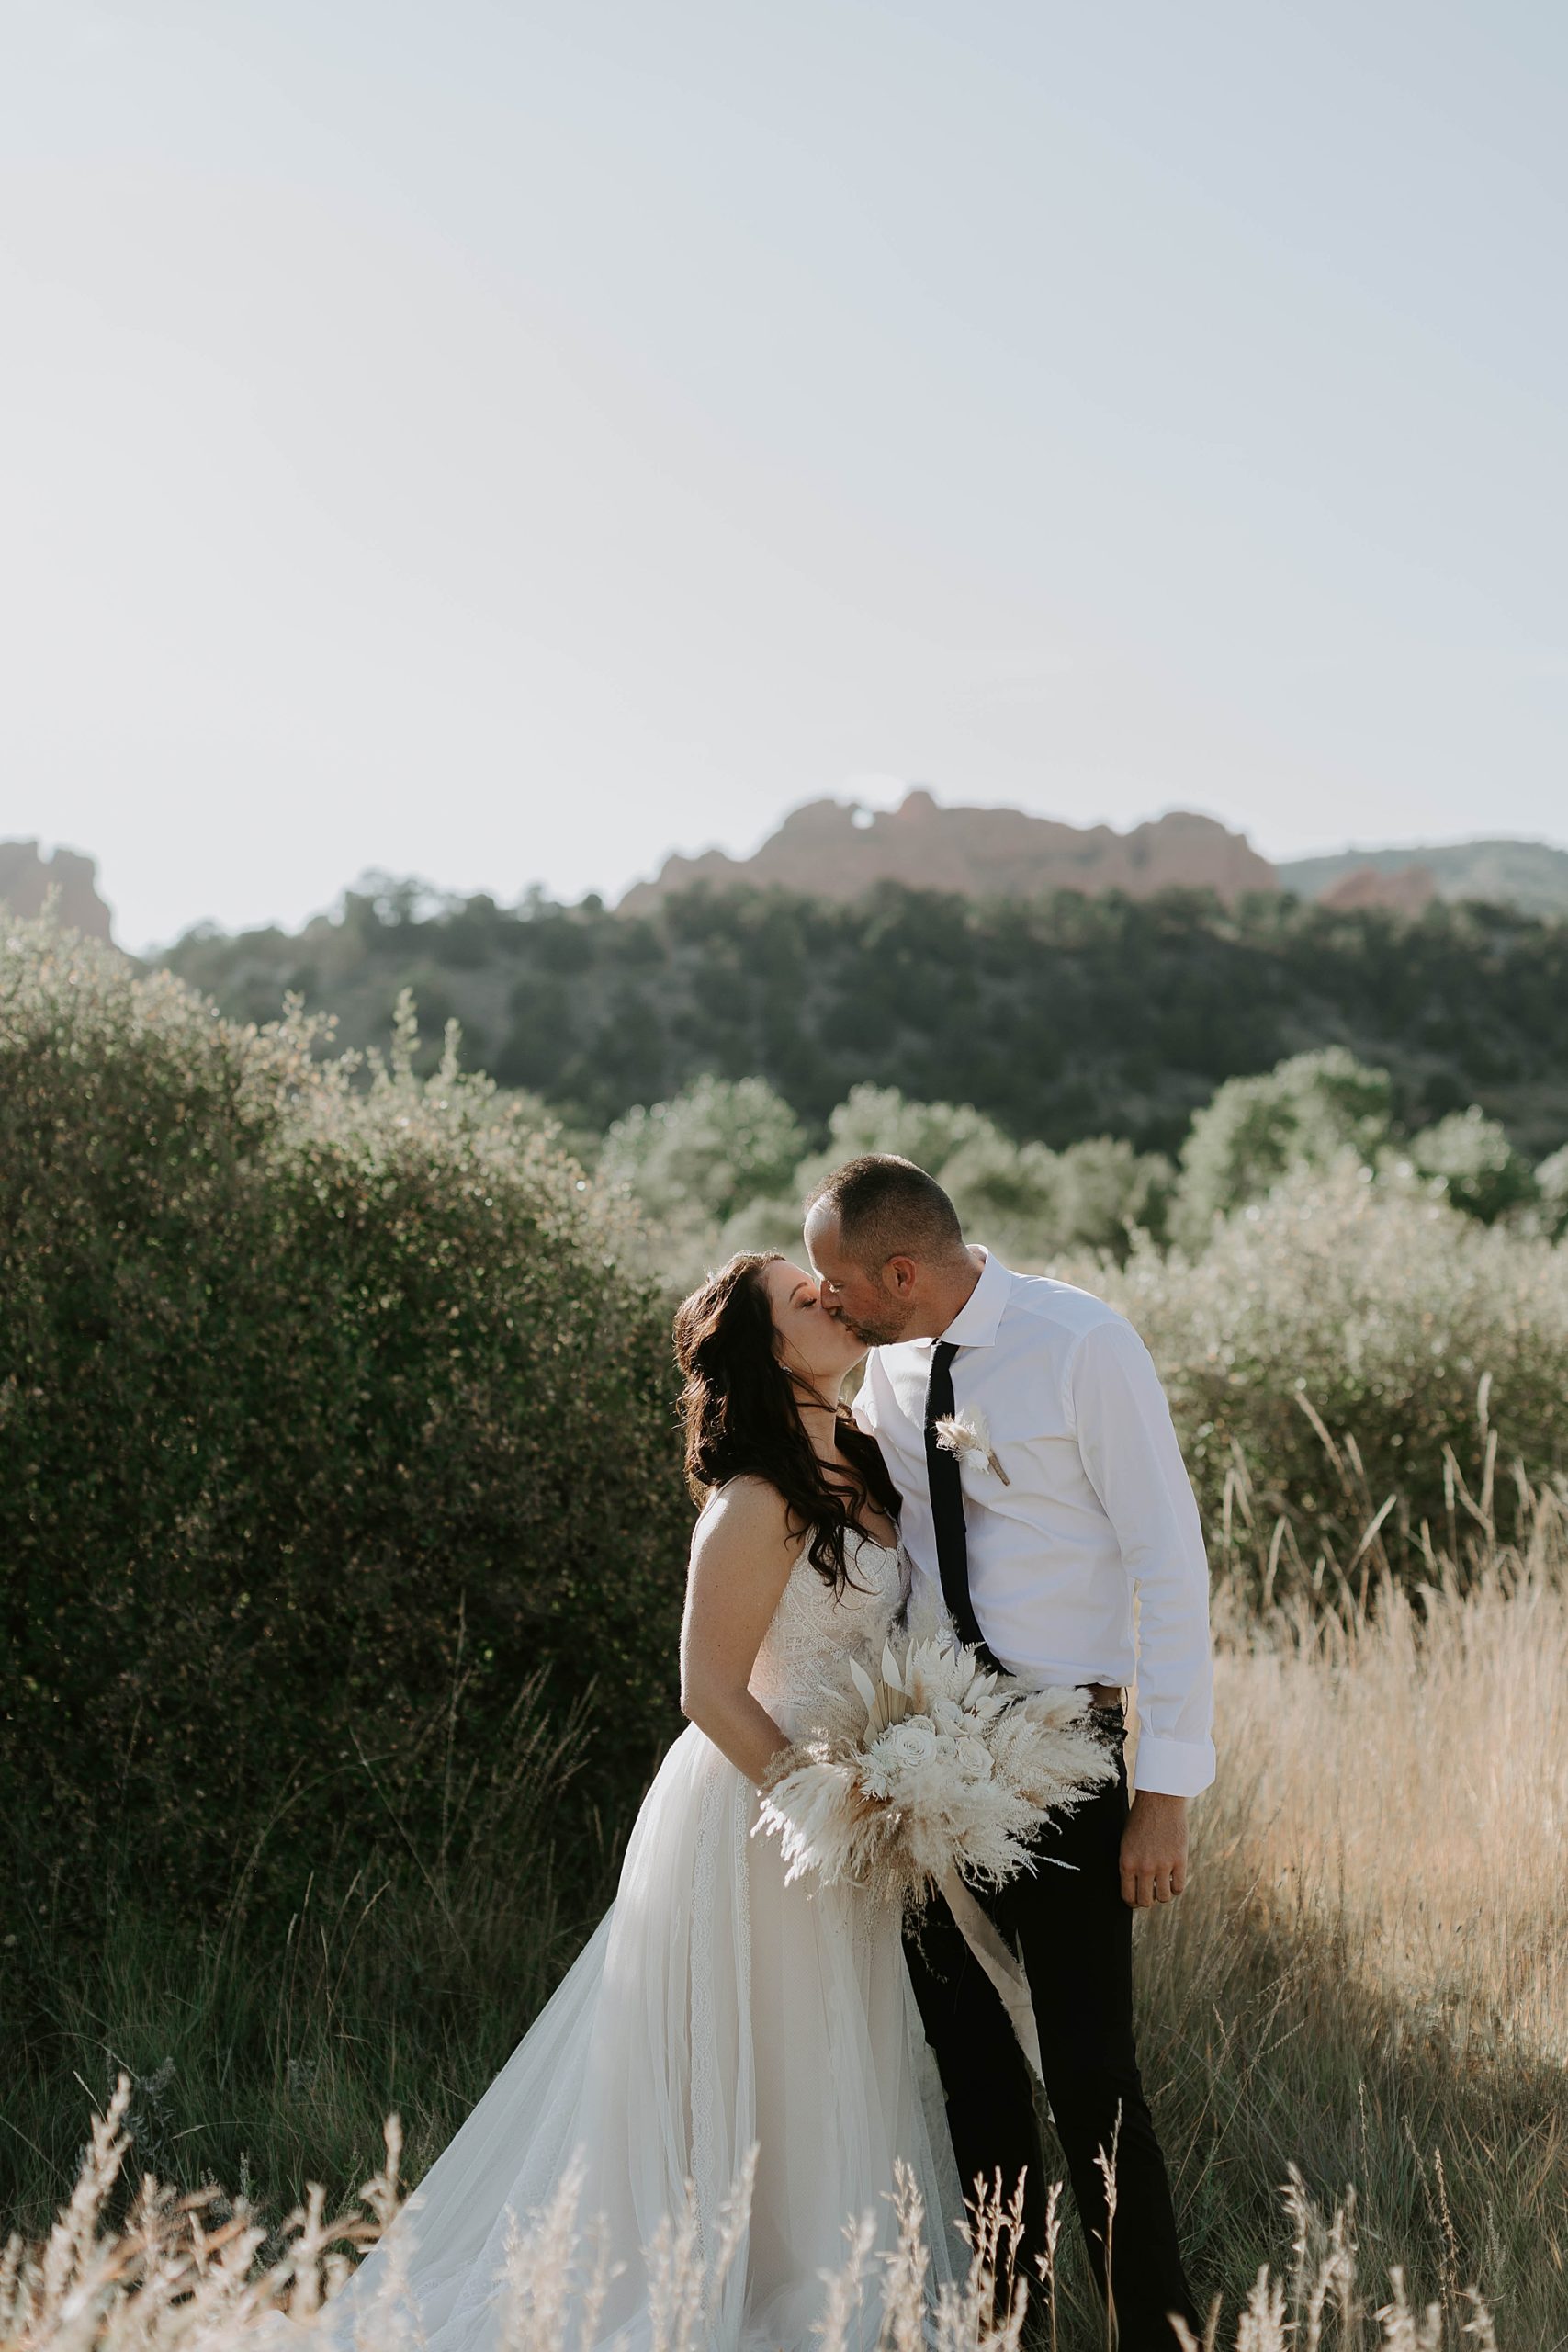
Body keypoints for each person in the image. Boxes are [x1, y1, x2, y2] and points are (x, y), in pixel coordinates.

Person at [294, 1250, 965, 2352]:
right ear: (763, 1349)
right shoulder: (753, 1502)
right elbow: (708, 1689)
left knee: (831, 2047)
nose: (833, 1299)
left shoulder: (869, 1459)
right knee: (755, 2044)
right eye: (806, 1299)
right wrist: (824, 1804)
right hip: (762, 1806)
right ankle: (731, 2293)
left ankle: (832, 2286)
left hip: (855, 1799)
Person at [806, 1154, 1214, 2351]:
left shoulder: (1080, 1342)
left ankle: (1157, 2332)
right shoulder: (878, 1368)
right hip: (927, 1756)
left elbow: (1167, 1566)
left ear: (899, 1269)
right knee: (972, 2077)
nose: (829, 1301)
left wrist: (1165, 1793)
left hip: (1066, 1751)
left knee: (1089, 2076)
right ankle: (1006, 2331)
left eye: (839, 1280)